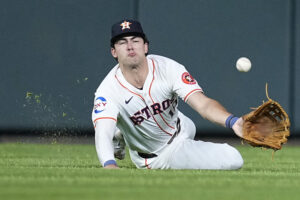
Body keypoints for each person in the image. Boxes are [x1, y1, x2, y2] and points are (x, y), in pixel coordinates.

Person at [92, 19, 244, 169]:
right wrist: (109, 164)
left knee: (190, 125)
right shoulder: (108, 90)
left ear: (145, 47)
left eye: (135, 40)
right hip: (160, 155)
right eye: (122, 42)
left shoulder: (167, 68)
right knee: (233, 158)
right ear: (114, 52)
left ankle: (121, 134)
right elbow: (103, 131)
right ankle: (121, 133)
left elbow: (203, 104)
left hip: (181, 126)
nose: (130, 47)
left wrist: (233, 121)